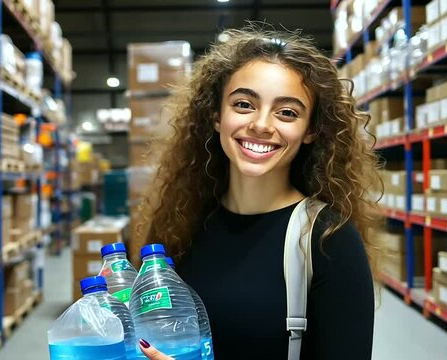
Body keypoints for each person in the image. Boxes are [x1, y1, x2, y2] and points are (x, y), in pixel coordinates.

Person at [135, 24, 381, 359]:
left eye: (287, 112)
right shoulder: (179, 223)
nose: (262, 124)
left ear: (310, 131)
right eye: (244, 104)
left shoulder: (327, 240)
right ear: (216, 116)